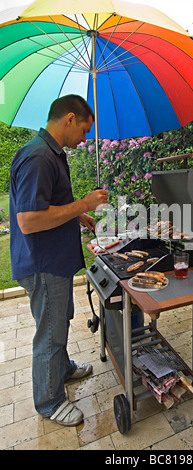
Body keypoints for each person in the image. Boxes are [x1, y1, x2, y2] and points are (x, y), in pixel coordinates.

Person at [9, 94, 108, 427]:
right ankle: (50, 402)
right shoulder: (38, 157)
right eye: (84, 130)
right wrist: (83, 205)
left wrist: (78, 217)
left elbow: (50, 203)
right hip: (43, 263)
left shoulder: (51, 153)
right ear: (69, 118)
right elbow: (28, 220)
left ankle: (62, 370)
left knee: (59, 321)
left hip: (55, 260)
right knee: (50, 334)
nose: (84, 139)